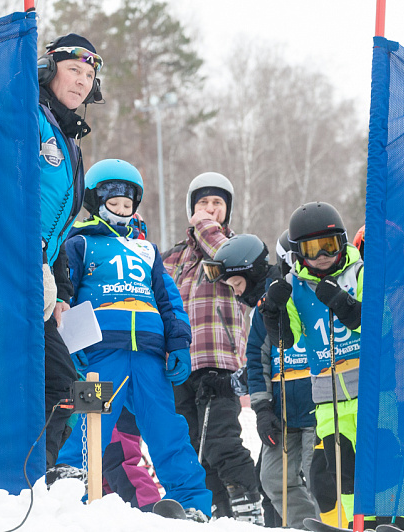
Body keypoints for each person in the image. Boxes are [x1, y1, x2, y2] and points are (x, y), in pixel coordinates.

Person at [58, 159, 211, 521]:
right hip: (99, 353)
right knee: (88, 422)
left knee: (167, 427)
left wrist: (178, 344)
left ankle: (190, 501)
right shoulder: (80, 243)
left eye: (128, 205)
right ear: (95, 202)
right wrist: (70, 345)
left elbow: (169, 302)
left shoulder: (147, 251)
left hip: (148, 355)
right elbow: (66, 293)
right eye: (114, 203)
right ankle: (68, 489)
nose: (122, 211)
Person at [261, 202, 398, 529]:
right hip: (329, 399)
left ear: (343, 242)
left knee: (384, 461)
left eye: (330, 245)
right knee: (344, 470)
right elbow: (287, 340)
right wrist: (273, 312)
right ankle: (360, 523)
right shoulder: (295, 286)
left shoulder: (361, 272)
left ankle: (393, 520)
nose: (323, 255)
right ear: (298, 252)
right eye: (313, 249)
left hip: (374, 392)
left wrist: (345, 304)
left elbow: (383, 324)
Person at [162, 172, 261, 524]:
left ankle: (249, 506)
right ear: (190, 207)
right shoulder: (173, 257)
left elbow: (226, 256)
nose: (209, 209)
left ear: (227, 210)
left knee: (221, 441)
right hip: (180, 366)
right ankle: (217, 512)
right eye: (202, 202)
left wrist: (204, 226)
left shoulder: (234, 247)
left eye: (217, 203)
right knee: (193, 446)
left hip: (217, 362)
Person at [214, 232, 318, 529]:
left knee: (318, 476)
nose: (236, 294)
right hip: (283, 411)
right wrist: (262, 410)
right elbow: (257, 362)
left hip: (315, 405)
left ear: (251, 272)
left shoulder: (297, 292)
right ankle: (304, 525)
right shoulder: (261, 309)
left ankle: (328, 521)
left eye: (237, 284)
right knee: (272, 478)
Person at [37, 32, 103, 470]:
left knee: (63, 385)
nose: (82, 81)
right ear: (48, 70)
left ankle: (31, 475)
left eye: (89, 75)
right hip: (8, 267)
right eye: (73, 70)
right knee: (57, 383)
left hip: (37, 277)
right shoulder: (27, 115)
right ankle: (22, 476)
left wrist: (61, 292)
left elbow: (58, 232)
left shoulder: (68, 139)